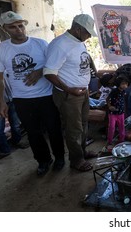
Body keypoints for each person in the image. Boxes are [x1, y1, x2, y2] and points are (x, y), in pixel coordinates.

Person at [0, 11, 64, 175]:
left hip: (46, 95)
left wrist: (39, 72)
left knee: (54, 128)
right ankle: (43, 161)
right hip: (21, 99)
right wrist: (1, 101)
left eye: (21, 25)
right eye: (13, 27)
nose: (19, 29)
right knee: (33, 132)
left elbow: (54, 64)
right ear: (5, 30)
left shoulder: (41, 44)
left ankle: (59, 157)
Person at [44, 14, 97, 172]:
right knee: (73, 128)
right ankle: (76, 159)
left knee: (84, 124)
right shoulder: (60, 44)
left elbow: (82, 62)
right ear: (77, 28)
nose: (88, 36)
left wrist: (91, 77)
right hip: (69, 95)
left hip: (83, 92)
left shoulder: (79, 42)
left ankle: (82, 151)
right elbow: (49, 72)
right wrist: (69, 90)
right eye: (87, 33)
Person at [0, 72, 25, 157]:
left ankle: (16, 141)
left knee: (16, 124)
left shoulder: (4, 67)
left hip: (12, 100)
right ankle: (4, 149)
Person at [106, 74, 129, 150]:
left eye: (126, 84)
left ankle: (121, 140)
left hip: (121, 113)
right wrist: (109, 106)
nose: (125, 85)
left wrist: (124, 110)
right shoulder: (114, 91)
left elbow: (123, 102)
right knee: (111, 127)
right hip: (113, 114)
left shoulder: (124, 91)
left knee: (122, 127)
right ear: (118, 84)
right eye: (123, 84)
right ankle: (109, 141)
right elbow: (107, 99)